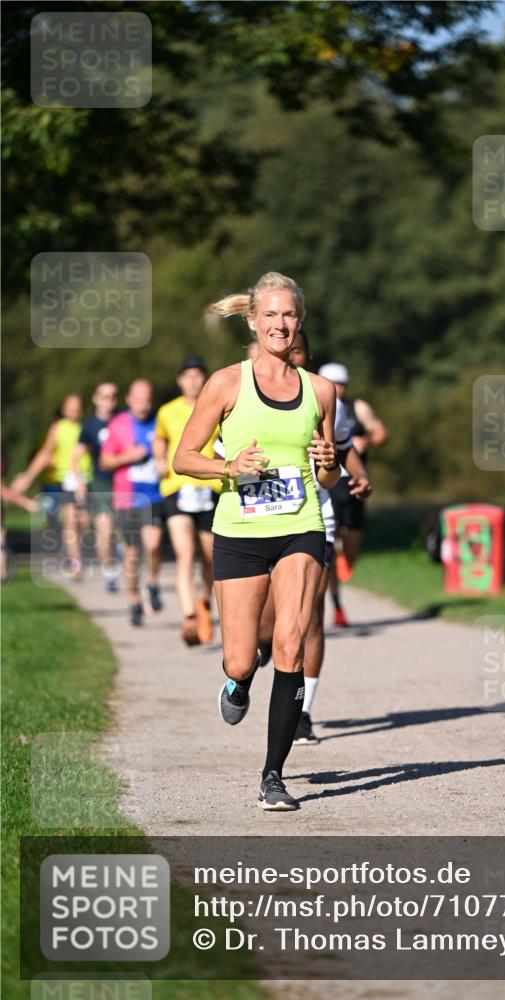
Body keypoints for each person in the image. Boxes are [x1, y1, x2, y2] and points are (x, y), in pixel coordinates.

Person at [173, 272, 340, 811]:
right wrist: (229, 467)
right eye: (270, 314)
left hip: (301, 526)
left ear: (300, 321)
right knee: (241, 659)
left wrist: (331, 463)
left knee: (291, 643)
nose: (280, 324)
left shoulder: (321, 391)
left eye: (288, 315)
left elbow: (328, 477)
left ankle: (273, 775)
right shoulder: (226, 384)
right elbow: (183, 458)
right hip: (241, 532)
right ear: (252, 321)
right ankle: (237, 682)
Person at [258, 331, 373, 745]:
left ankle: (303, 711)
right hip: (261, 520)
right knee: (268, 622)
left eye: (298, 350)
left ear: (307, 356)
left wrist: (360, 475)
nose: (289, 355)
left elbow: (344, 446)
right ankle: (259, 650)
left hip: (313, 519)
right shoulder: (248, 393)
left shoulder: (323, 397)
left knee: (310, 615)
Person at [153, 356, 220, 647]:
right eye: (187, 376)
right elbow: (159, 439)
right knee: (185, 552)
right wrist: (159, 459)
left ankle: (204, 603)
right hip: (176, 487)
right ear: (180, 380)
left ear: (204, 379)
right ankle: (189, 615)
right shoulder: (167, 411)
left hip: (210, 486)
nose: (193, 381)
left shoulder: (216, 406)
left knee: (209, 558)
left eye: (197, 375)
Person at [318, 362, 389, 626]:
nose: (337, 388)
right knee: (329, 540)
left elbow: (381, 432)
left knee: (352, 544)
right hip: (328, 483)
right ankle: (337, 604)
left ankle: (343, 559)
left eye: (341, 384)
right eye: (332, 383)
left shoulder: (357, 408)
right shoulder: (316, 405)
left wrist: (366, 441)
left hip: (353, 483)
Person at [100, 379, 164, 628]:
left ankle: (153, 582)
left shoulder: (159, 422)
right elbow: (105, 461)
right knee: (132, 553)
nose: (143, 405)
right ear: (128, 400)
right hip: (127, 498)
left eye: (147, 400)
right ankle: (134, 600)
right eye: (138, 400)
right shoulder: (118, 425)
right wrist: (129, 456)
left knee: (154, 544)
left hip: (154, 495)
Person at [11, 394, 92, 581]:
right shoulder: (58, 428)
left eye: (77, 406)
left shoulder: (86, 427)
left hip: (86, 478)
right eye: (70, 406)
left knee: (85, 523)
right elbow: (45, 454)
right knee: (69, 521)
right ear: (64, 409)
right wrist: (28, 476)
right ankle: (76, 562)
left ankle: (79, 551)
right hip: (66, 480)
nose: (74, 409)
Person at [69, 382, 119, 592]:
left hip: (124, 482)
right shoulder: (89, 425)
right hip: (101, 482)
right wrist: (79, 482)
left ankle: (122, 559)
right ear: (95, 398)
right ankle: (109, 571)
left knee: (124, 530)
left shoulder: (122, 421)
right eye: (104, 396)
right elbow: (75, 457)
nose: (109, 401)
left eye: (113, 397)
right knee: (104, 530)